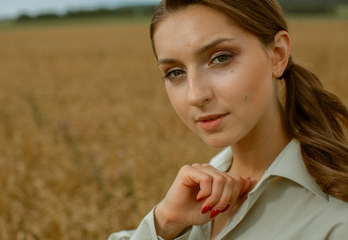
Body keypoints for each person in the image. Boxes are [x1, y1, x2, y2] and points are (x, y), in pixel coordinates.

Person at [109, 0, 348, 239]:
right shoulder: (187, 199)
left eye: (221, 58)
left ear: (277, 55)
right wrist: (163, 222)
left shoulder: (335, 223)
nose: (196, 95)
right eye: (175, 72)